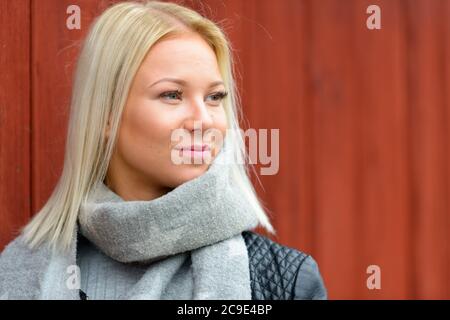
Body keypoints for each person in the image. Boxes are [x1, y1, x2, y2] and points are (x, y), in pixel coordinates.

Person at [0, 0, 327, 300]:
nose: (204, 120)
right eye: (172, 95)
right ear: (106, 114)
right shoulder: (19, 272)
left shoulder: (287, 284)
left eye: (214, 97)